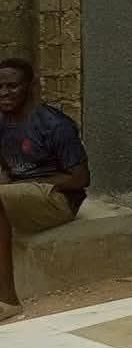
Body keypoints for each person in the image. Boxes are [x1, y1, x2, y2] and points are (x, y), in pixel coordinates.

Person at [0, 58, 90, 322]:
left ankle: (8, 301)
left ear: (30, 87)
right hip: (19, 195)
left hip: (58, 201)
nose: (4, 92)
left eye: (12, 86)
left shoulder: (54, 125)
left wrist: (22, 186)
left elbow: (81, 179)